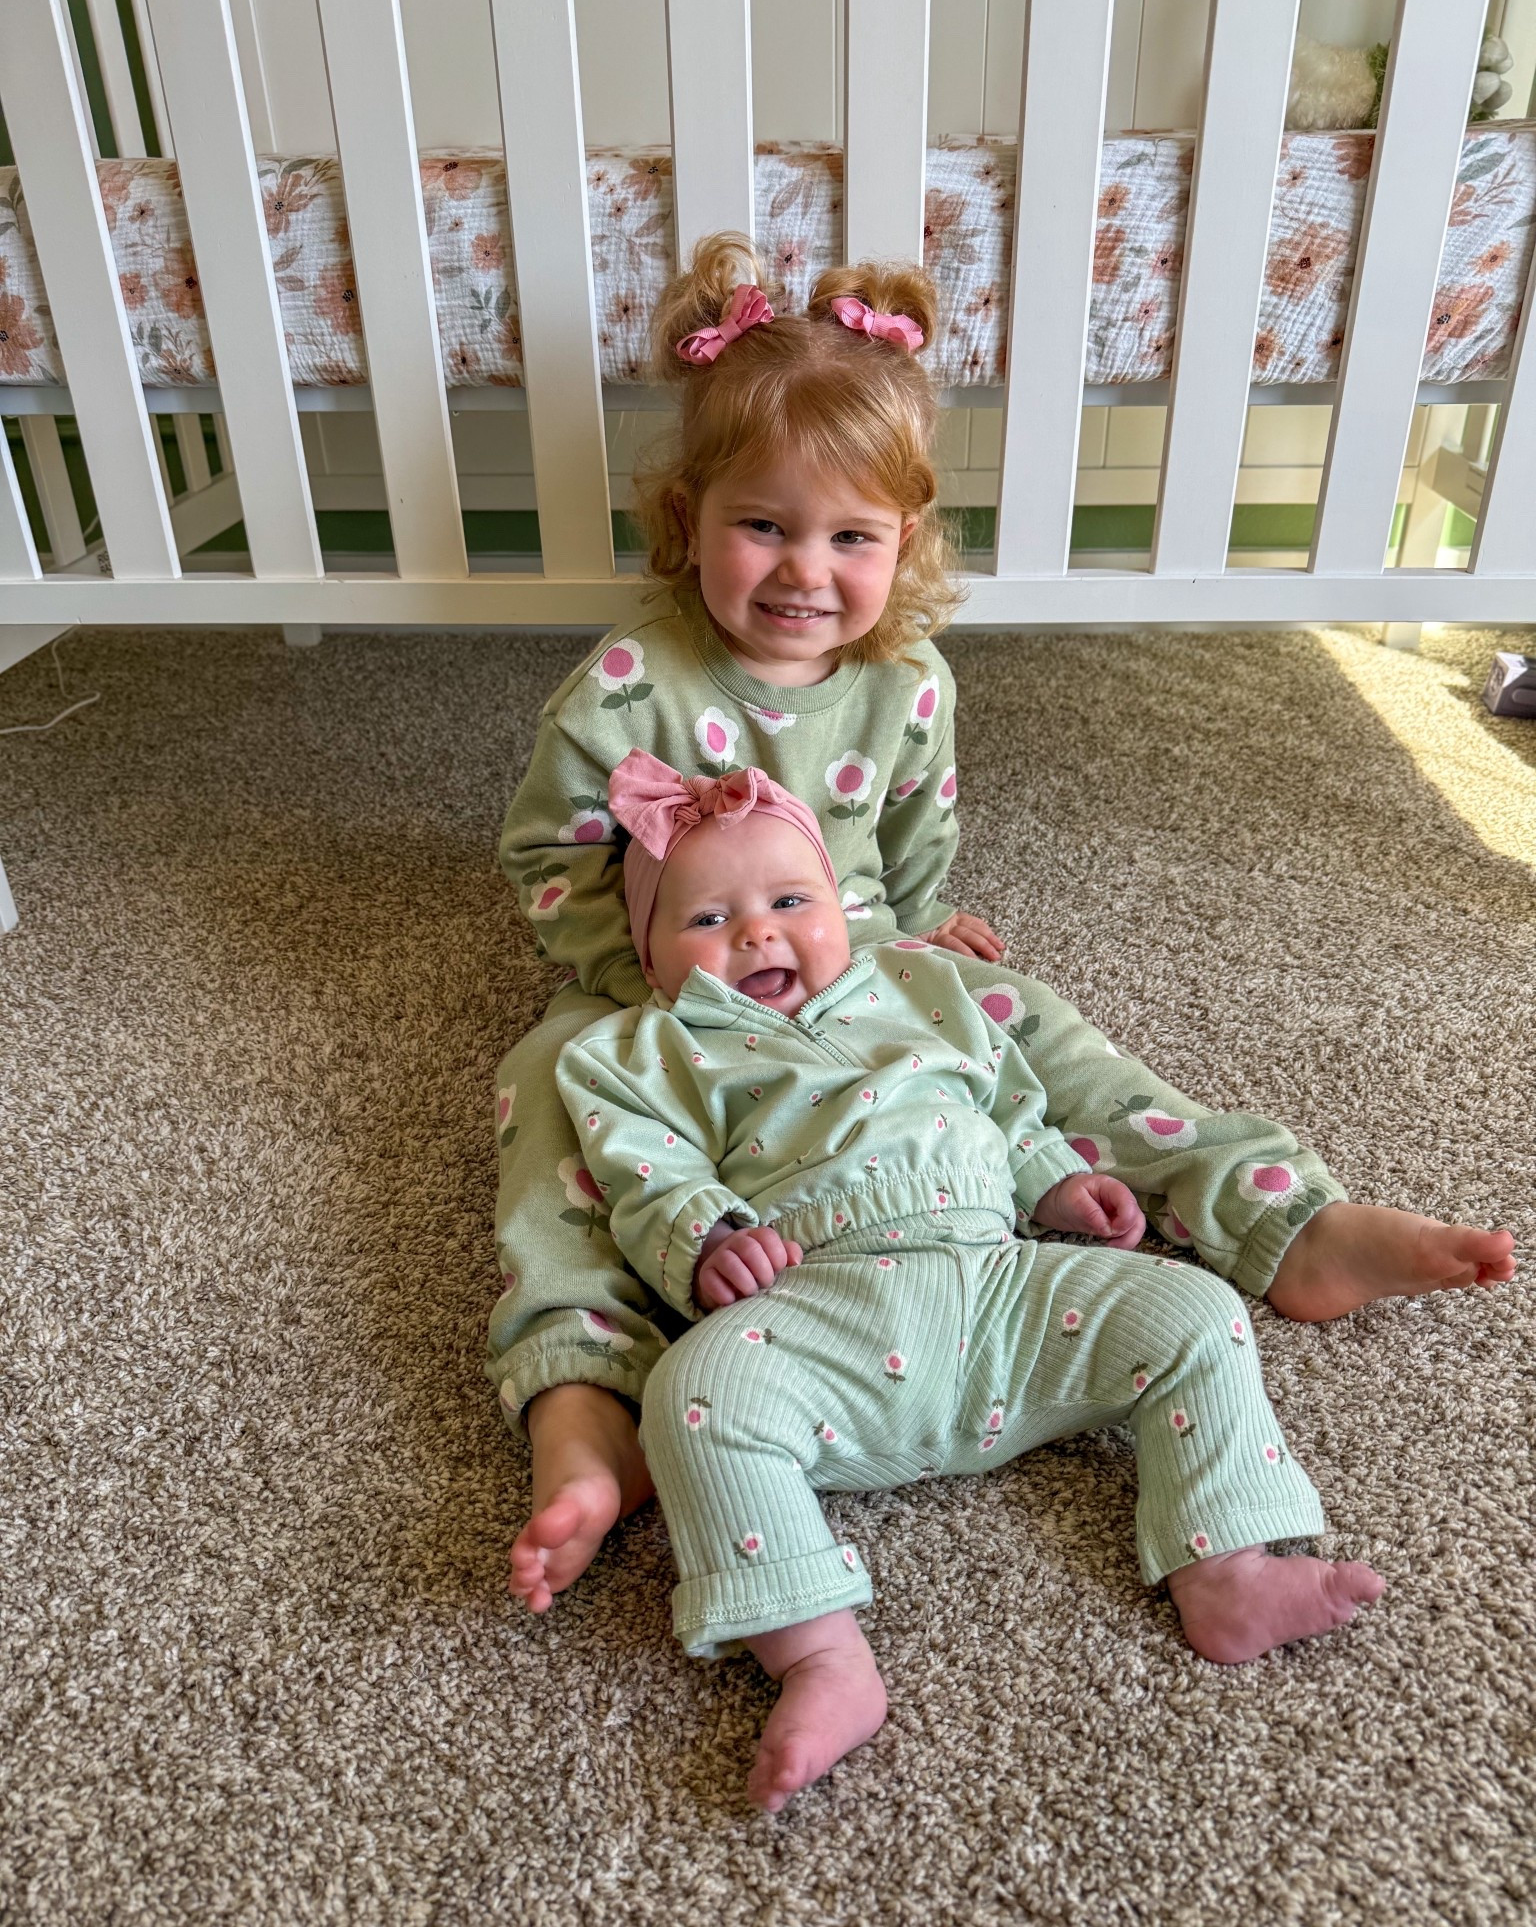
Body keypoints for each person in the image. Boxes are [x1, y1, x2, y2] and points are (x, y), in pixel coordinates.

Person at [491, 231, 1518, 1628]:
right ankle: (583, 1405)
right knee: (558, 1114)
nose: (806, 570)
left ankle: (1282, 1221)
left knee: (1035, 1041)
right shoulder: (625, 684)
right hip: (660, 977)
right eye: (765, 526)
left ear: (903, 542)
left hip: (856, 957)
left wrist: (911, 931)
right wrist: (667, 993)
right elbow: (550, 864)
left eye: (851, 537)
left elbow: (913, 837)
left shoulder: (907, 678)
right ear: (687, 517)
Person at [554, 751, 1387, 1810]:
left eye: (790, 900)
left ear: (841, 911)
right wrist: (709, 1234)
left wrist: (1057, 1186)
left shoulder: (921, 986)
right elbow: (645, 1172)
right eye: (709, 920)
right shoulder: (634, 1052)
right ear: (647, 950)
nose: (759, 931)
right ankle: (819, 1655)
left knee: (1198, 1311)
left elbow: (1008, 1103)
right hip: (820, 1314)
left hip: (1002, 1288)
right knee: (691, 1398)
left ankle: (1222, 1566)